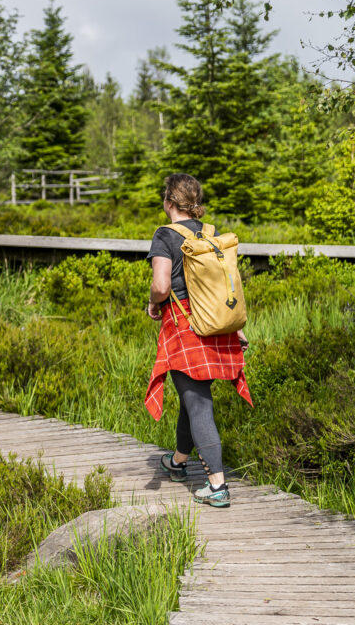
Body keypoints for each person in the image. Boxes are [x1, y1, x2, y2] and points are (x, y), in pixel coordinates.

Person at [143, 173, 252, 508]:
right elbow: (225, 285)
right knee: (193, 396)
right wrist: (236, 328)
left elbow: (162, 286)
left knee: (199, 403)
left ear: (168, 203)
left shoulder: (165, 235)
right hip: (217, 325)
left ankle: (217, 486)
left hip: (184, 324)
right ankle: (177, 462)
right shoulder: (211, 234)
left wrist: (151, 302)